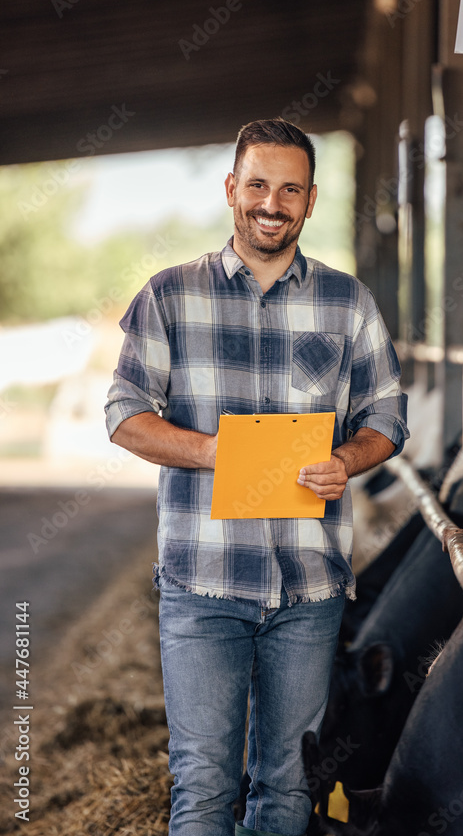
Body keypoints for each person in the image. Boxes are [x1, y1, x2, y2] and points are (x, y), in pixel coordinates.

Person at [105, 117, 409, 836]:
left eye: (290, 189)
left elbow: (387, 418)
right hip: (203, 584)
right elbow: (124, 416)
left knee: (286, 788)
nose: (271, 202)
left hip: (309, 588)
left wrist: (345, 459)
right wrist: (217, 452)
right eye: (258, 185)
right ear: (231, 190)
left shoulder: (347, 303)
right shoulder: (169, 296)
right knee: (204, 785)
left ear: (310, 202)